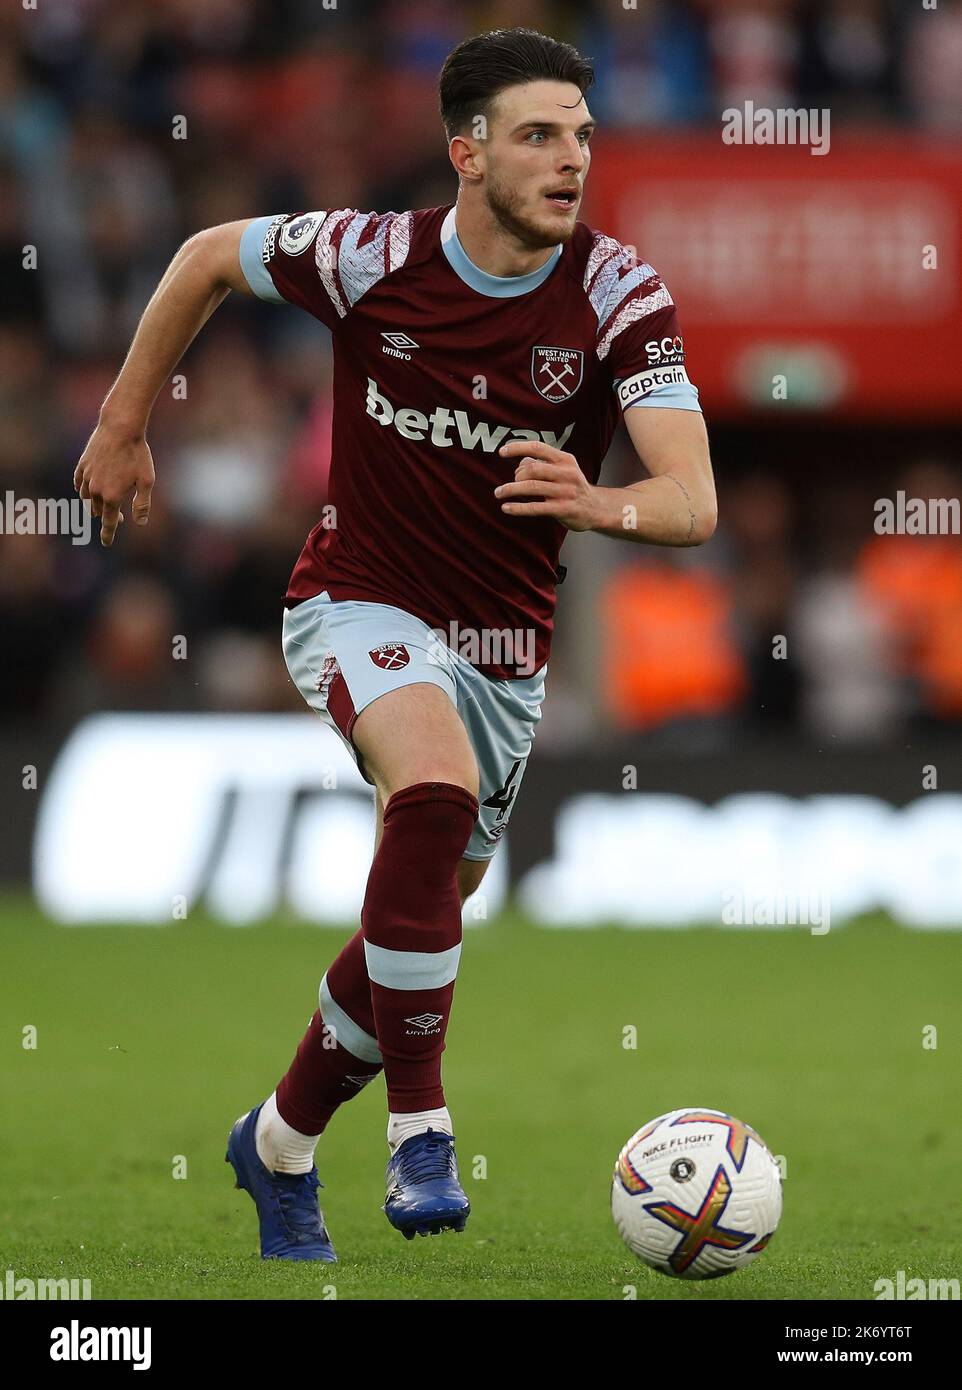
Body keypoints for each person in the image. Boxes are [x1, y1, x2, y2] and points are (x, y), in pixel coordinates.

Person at [73, 27, 716, 1261]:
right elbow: (208, 256)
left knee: (411, 924)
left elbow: (689, 500)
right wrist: (122, 422)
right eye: (538, 135)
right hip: (356, 600)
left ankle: (274, 1144)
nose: (570, 159)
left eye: (581, 134)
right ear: (465, 153)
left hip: (505, 657)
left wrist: (600, 502)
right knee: (429, 794)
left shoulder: (620, 296)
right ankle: (422, 1128)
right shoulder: (370, 256)